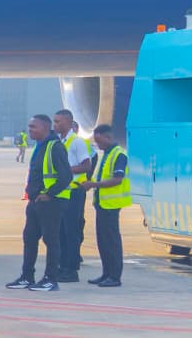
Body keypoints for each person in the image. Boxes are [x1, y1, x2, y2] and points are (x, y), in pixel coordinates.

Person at [11, 113, 68, 291]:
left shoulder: (55, 147)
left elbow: (66, 176)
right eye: (29, 127)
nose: (29, 130)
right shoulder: (40, 146)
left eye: (33, 127)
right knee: (29, 238)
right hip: (36, 201)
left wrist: (49, 194)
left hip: (50, 202)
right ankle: (27, 276)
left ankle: (51, 279)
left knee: (51, 240)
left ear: (44, 128)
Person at [82, 123, 132, 286]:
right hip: (102, 205)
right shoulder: (107, 154)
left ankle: (114, 276)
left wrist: (93, 185)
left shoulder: (119, 155)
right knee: (103, 241)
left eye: (100, 141)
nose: (98, 145)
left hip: (112, 205)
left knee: (112, 242)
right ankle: (106, 273)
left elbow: (117, 180)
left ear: (108, 137)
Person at [52, 107, 94, 286]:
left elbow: (86, 165)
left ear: (68, 123)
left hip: (74, 192)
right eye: (54, 121)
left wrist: (66, 171)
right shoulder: (58, 141)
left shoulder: (77, 142)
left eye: (58, 121)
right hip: (62, 192)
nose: (55, 125)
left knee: (71, 231)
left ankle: (72, 269)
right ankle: (63, 266)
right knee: (61, 231)